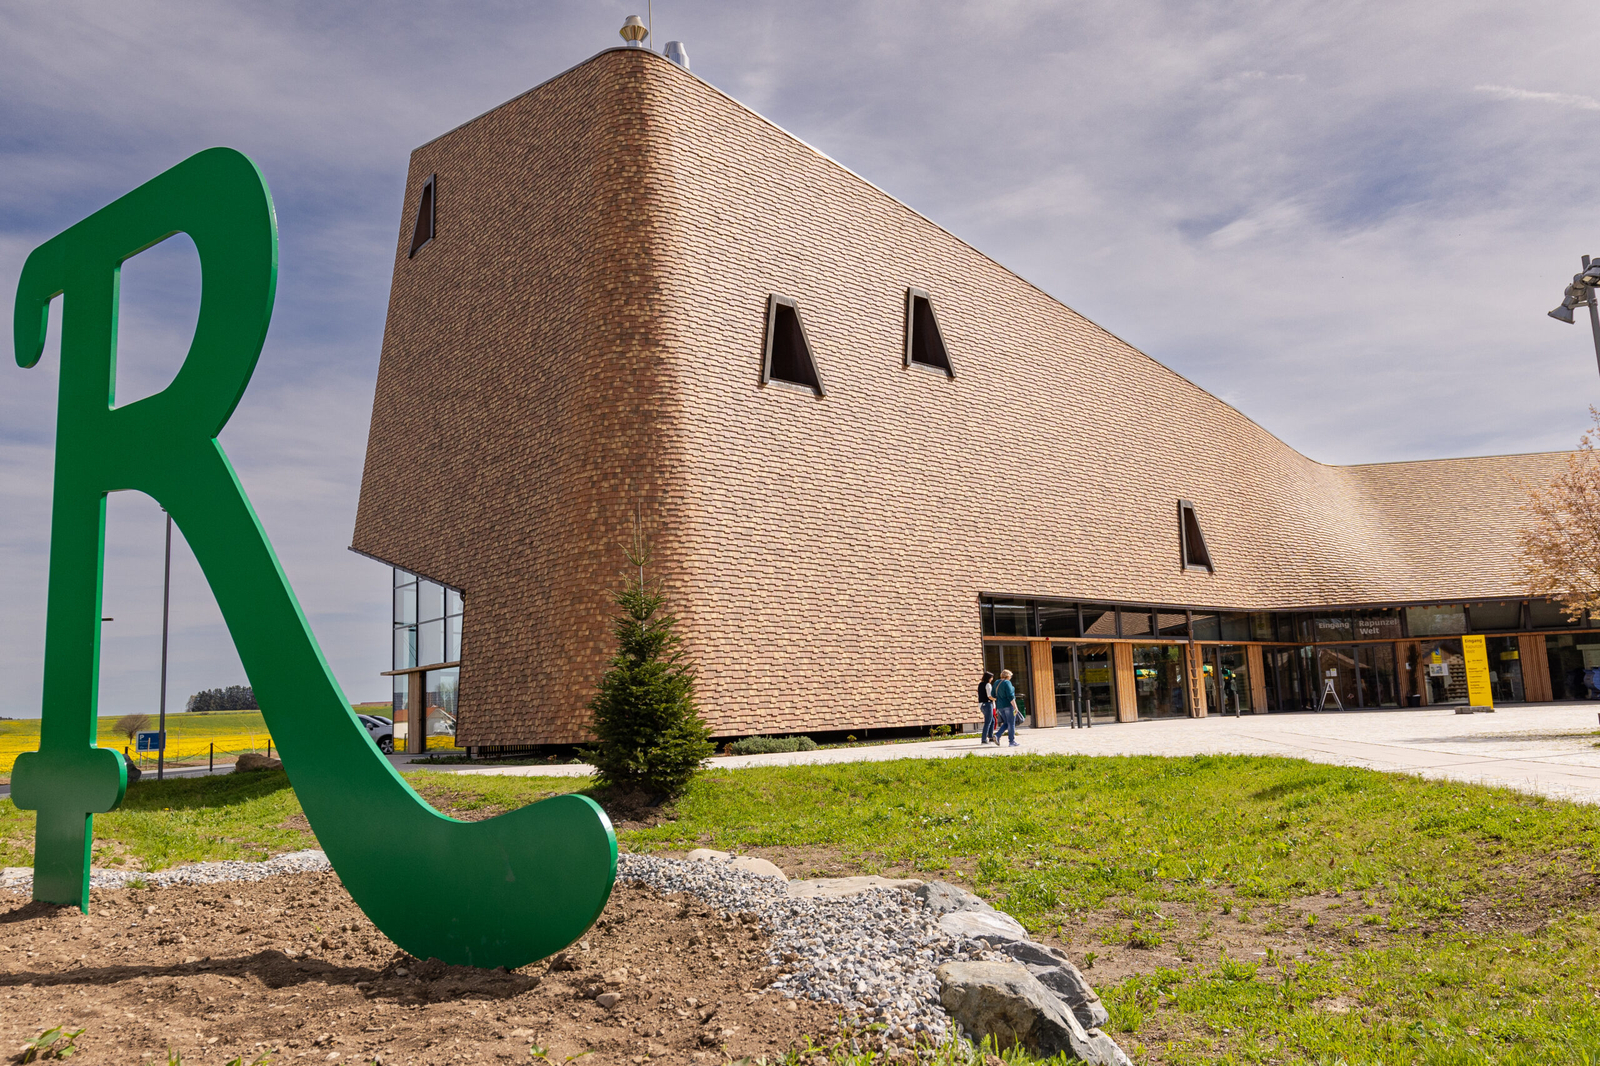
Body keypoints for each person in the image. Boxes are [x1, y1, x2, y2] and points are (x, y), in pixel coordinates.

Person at [994, 669, 1019, 747]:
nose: (1011, 677)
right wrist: (1015, 707)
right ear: (1008, 676)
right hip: (1008, 705)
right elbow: (1010, 696)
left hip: (1000, 706)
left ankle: (997, 735)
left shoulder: (996, 682)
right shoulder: (1007, 683)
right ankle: (1011, 741)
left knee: (1006, 723)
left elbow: (993, 695)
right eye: (1010, 676)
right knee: (1011, 723)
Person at [978, 670, 997, 745]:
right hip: (987, 704)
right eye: (991, 677)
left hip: (981, 704)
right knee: (988, 722)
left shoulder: (980, 684)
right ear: (988, 678)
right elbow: (989, 696)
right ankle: (984, 739)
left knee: (992, 720)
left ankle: (991, 737)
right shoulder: (988, 685)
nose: (992, 679)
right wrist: (996, 699)